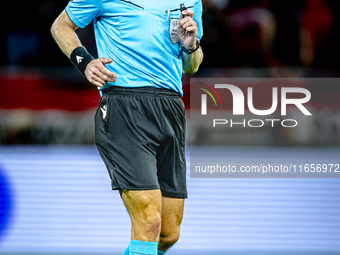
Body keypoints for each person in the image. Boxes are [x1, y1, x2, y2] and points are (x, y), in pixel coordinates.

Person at [51, 1, 203, 254]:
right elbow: (61, 25)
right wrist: (85, 62)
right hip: (124, 104)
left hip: (171, 107)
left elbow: (192, 66)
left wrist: (192, 45)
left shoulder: (190, 2)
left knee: (168, 234)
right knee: (149, 222)